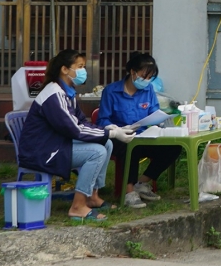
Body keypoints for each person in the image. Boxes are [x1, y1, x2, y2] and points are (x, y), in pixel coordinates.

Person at [19, 49, 136, 221]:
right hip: (42, 151)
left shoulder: (67, 92)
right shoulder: (54, 94)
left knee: (106, 144)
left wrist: (108, 130)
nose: (83, 71)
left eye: (84, 66)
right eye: (79, 66)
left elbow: (82, 122)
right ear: (65, 69)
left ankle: (92, 196)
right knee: (97, 151)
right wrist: (110, 132)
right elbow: (74, 129)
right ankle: (77, 206)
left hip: (57, 144)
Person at [97, 53, 181, 209]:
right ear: (132, 71)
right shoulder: (111, 91)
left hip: (143, 135)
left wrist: (159, 123)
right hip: (118, 137)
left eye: (150, 77)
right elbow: (102, 120)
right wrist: (118, 130)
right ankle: (129, 192)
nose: (146, 81)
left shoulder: (148, 90)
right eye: (144, 76)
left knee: (174, 147)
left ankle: (141, 183)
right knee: (131, 146)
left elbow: (154, 113)